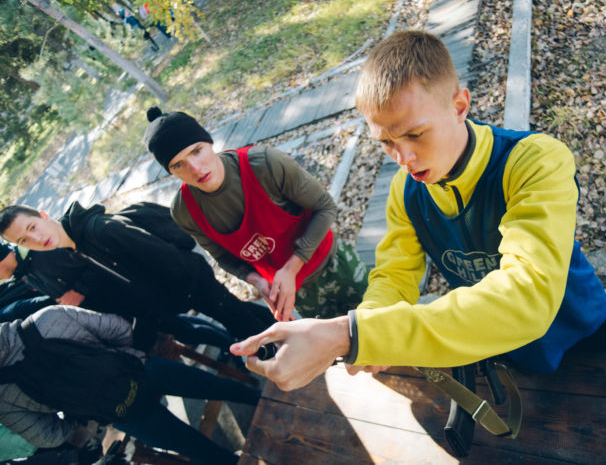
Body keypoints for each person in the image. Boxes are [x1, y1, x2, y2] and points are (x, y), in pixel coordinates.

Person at [230, 30, 606, 391]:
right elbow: (394, 277)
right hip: (493, 343)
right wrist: (372, 323)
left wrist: (349, 333)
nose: (403, 157)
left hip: (582, 334)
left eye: (414, 133)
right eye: (386, 143)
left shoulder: (533, 161)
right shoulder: (406, 191)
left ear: (460, 105)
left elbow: (528, 296)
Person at [142, 107, 369, 322]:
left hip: (331, 263)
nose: (195, 168)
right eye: (178, 164)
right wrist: (257, 281)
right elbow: (221, 255)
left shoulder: (264, 164)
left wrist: (291, 268)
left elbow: (325, 206)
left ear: (210, 143)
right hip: (291, 292)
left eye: (197, 151)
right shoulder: (185, 212)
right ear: (171, 172)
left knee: (383, 318)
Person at [0, 304, 257, 465]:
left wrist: (79, 412)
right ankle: (267, 398)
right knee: (216, 387)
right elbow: (119, 329)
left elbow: (47, 435)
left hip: (120, 414)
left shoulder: (3, 396)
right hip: (141, 369)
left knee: (196, 449)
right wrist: (116, 359)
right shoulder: (47, 319)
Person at [0, 203, 275, 347]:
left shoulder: (100, 230)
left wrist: (182, 296)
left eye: (33, 227)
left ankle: (299, 352)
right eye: (24, 240)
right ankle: (292, 329)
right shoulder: (76, 248)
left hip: (193, 284)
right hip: (182, 294)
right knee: (242, 316)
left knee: (244, 327)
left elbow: (166, 258)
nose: (36, 239)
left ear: (44, 215)